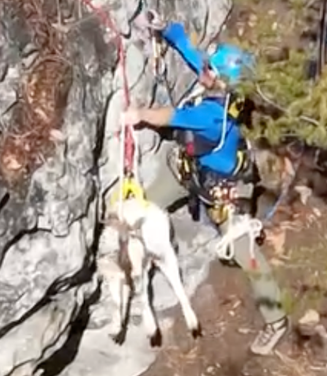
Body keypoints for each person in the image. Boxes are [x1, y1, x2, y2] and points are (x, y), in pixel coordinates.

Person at [122, 16, 289, 355]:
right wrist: (166, 29)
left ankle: (276, 320)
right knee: (142, 210)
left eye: (211, 71)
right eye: (208, 68)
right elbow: (190, 50)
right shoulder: (220, 84)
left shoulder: (213, 117)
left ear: (221, 82)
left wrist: (136, 113)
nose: (205, 71)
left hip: (223, 191)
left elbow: (167, 116)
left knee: (248, 256)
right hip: (191, 171)